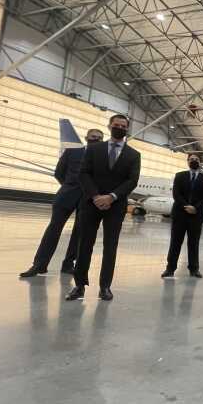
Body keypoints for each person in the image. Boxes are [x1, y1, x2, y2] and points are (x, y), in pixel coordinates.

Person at [66, 114, 141, 301]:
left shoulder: (134, 155)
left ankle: (105, 286)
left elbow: (132, 181)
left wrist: (111, 197)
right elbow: (84, 173)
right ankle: (79, 286)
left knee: (110, 247)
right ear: (109, 126)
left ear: (127, 129)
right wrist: (96, 196)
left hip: (115, 206)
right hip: (91, 203)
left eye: (124, 126)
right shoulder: (94, 149)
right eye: (117, 125)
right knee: (84, 244)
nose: (120, 128)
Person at [20, 128, 104, 278]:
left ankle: (68, 264)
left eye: (99, 138)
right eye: (93, 137)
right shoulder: (73, 152)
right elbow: (59, 172)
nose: (95, 140)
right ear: (86, 138)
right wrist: (68, 186)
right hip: (66, 196)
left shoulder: (103, 159)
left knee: (79, 233)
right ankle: (39, 265)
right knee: (53, 229)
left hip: (87, 199)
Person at [162, 153, 203, 279]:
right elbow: (176, 194)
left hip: (196, 216)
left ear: (200, 162)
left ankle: (194, 269)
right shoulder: (179, 176)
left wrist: (195, 208)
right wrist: (186, 206)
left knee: (194, 243)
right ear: (187, 161)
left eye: (197, 159)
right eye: (191, 159)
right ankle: (170, 269)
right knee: (175, 242)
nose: (194, 161)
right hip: (180, 214)